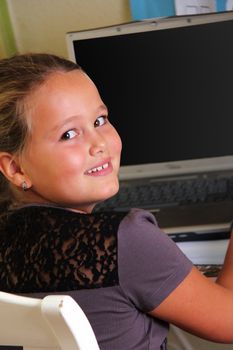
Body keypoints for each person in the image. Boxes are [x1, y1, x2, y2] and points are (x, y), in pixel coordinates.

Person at [0, 53, 233, 350]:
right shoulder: (125, 241)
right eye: (69, 134)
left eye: (100, 120)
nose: (99, 144)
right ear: (15, 168)